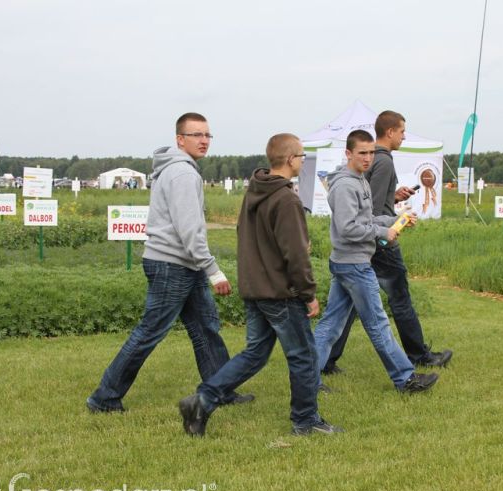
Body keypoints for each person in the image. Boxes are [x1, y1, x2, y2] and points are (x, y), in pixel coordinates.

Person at [87, 112, 252, 413]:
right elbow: (190, 231)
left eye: (207, 135)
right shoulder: (184, 174)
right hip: (172, 265)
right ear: (180, 139)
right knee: (150, 332)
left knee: (206, 328)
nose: (204, 141)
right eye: (196, 135)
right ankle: (104, 398)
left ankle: (220, 391)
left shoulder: (177, 170)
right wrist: (214, 271)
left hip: (181, 264)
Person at [179, 134, 341, 436]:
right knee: (304, 356)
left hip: (256, 289)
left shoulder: (254, 191)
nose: (304, 161)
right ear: (291, 159)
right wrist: (308, 294)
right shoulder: (287, 199)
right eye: (302, 156)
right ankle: (306, 421)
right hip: (281, 293)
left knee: (255, 353)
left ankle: (202, 401)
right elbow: (295, 253)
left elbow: (247, 238)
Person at [322, 111, 454, 375]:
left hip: (367, 241)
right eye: (402, 131)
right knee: (395, 303)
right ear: (390, 131)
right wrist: (389, 227)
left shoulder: (370, 166)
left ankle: (325, 360)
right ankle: (414, 361)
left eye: (369, 153)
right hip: (377, 242)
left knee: (343, 310)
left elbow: (367, 205)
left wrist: (393, 202)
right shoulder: (382, 163)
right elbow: (363, 212)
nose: (404, 136)